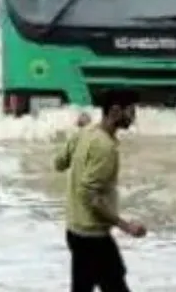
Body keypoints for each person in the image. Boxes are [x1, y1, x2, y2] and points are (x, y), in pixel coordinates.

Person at [56, 89, 145, 292]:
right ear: (115, 111)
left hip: (74, 230)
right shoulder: (106, 148)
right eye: (130, 112)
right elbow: (90, 196)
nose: (133, 118)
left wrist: (78, 134)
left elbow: (59, 163)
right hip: (92, 237)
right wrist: (126, 226)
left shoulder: (85, 133)